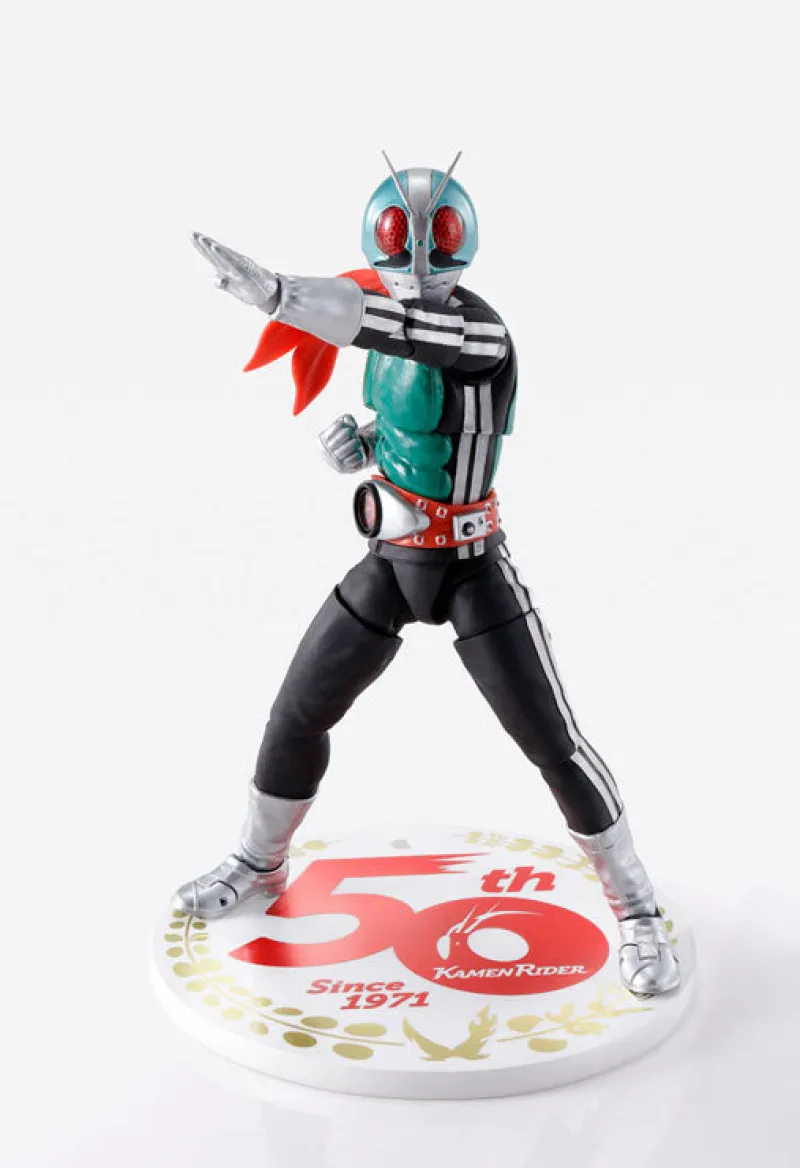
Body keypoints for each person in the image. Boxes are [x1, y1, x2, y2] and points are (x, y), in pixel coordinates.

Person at [173, 154, 680, 998]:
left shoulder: (480, 334)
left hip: (473, 567)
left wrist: (280, 296)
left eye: (433, 238)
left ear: (462, 241)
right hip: (391, 559)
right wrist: (359, 446)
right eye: (397, 237)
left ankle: (637, 909)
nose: (413, 260)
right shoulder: (383, 338)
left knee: (553, 743)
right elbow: (409, 422)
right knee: (297, 711)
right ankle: (259, 863)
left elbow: (405, 333)